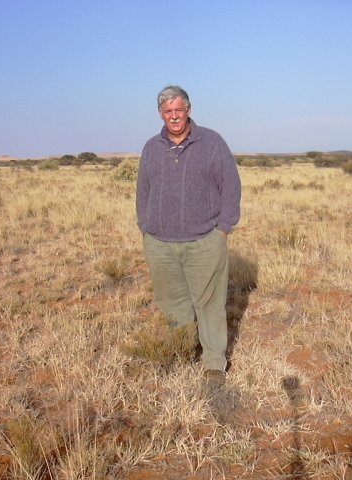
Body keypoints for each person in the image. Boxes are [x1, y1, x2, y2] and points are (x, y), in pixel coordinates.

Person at [136, 85, 241, 388]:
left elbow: (231, 186)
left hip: (205, 240)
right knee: (173, 304)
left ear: (189, 110)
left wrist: (223, 228)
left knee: (209, 303)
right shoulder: (151, 147)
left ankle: (214, 365)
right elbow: (143, 190)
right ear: (161, 114)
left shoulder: (212, 142)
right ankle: (183, 350)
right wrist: (145, 226)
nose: (174, 116)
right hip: (159, 243)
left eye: (178, 110)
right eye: (168, 111)